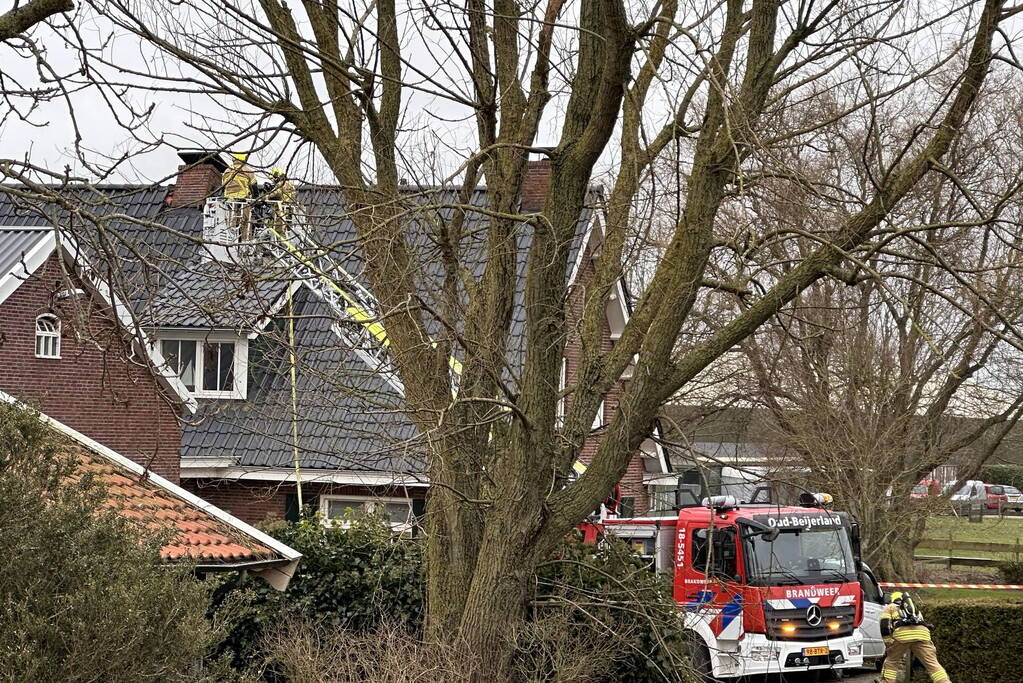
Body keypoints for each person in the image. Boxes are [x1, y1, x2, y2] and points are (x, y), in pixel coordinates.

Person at [878, 591, 950, 683]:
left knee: (891, 661)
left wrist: (888, 642)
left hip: (902, 636)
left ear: (892, 600)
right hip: (922, 635)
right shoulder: (915, 610)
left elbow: (884, 626)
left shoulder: (890, 607)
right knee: (932, 663)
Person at [221, 152, 255, 239]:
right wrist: (256, 199)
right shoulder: (247, 170)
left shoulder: (227, 171)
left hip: (229, 200)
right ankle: (244, 239)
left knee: (231, 220)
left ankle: (231, 237)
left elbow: (222, 186)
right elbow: (254, 186)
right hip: (243, 199)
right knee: (246, 220)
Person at [266, 167, 297, 233]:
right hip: (289, 208)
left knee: (274, 225)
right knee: (287, 227)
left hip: (280, 209)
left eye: (273, 179)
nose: (273, 181)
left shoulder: (280, 184)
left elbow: (274, 194)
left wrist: (266, 197)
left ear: (277, 177)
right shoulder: (291, 184)